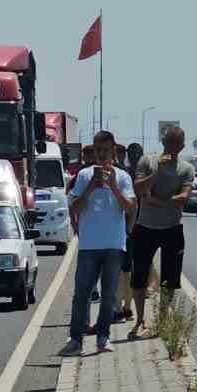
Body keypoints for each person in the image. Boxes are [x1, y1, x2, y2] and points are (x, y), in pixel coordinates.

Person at [61, 131, 135, 357]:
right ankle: (75, 339)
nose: (101, 155)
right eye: (97, 150)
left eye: (105, 150)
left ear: (113, 150)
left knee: (109, 295)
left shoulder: (123, 177)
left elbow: (129, 208)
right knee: (81, 294)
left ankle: (103, 337)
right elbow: (74, 208)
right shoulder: (84, 176)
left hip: (114, 244)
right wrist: (91, 187)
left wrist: (113, 186)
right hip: (89, 245)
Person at [129, 126, 195, 337]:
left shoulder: (186, 169)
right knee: (138, 276)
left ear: (182, 146)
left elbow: (183, 199)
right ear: (162, 141)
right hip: (145, 227)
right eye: (169, 141)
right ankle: (139, 320)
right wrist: (157, 172)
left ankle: (163, 320)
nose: (172, 146)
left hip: (172, 229)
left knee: (170, 279)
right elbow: (139, 189)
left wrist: (156, 200)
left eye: (177, 143)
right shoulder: (147, 162)